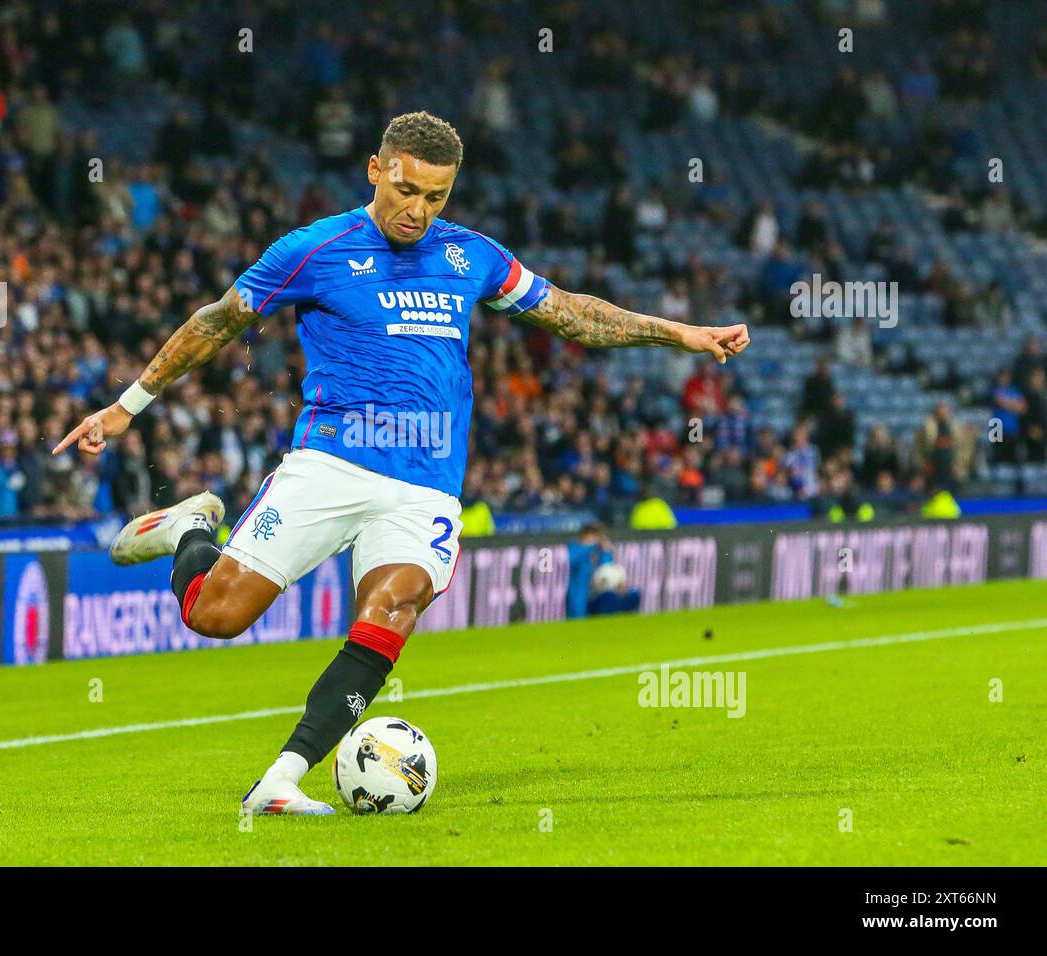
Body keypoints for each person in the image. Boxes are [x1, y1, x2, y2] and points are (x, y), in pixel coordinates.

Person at [54, 112, 750, 814]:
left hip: (426, 488)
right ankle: (190, 530)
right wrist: (126, 407)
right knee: (216, 616)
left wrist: (679, 333)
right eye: (407, 189)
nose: (418, 210)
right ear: (376, 170)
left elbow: (569, 313)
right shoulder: (315, 248)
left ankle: (282, 779)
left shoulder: (470, 255)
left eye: (436, 197)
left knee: (392, 607)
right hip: (331, 464)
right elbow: (217, 321)